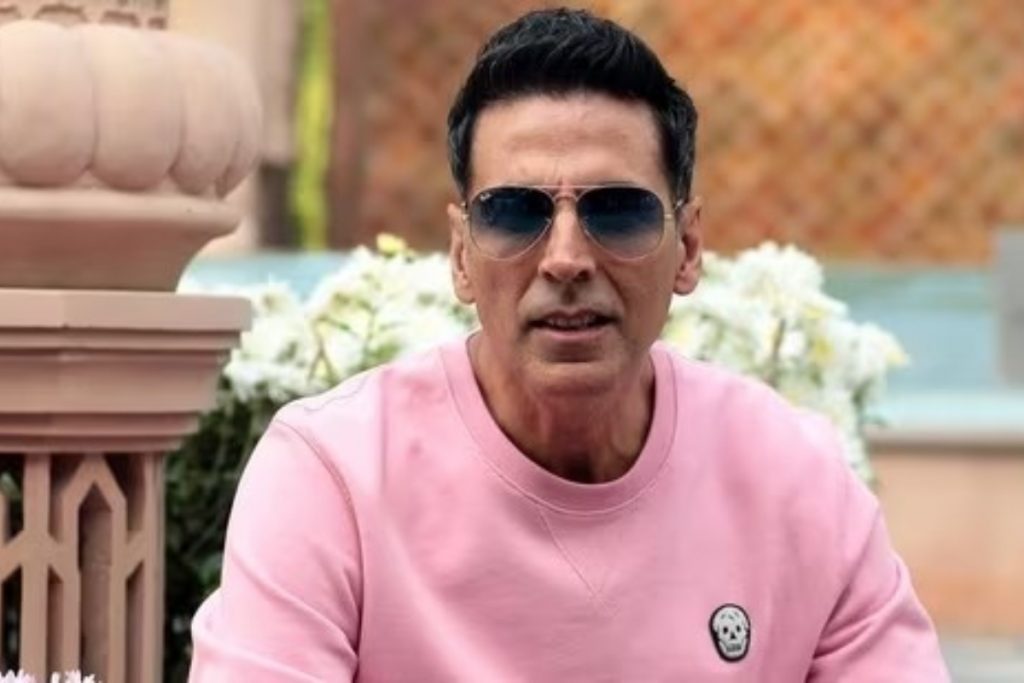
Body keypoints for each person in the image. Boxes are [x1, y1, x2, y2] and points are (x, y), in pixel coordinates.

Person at [189, 8, 950, 681]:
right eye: (514, 212)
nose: (565, 258)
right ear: (461, 254)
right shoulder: (335, 476)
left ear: (687, 247)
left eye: (616, 211)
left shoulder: (795, 479)